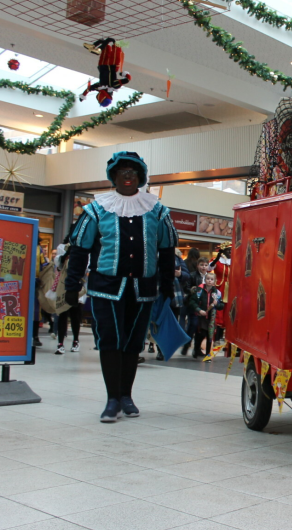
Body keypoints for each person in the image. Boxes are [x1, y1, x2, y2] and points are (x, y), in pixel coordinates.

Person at [65, 151, 178, 422]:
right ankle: (112, 399)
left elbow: (166, 250)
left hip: (143, 289)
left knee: (133, 343)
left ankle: (126, 396)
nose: (128, 175)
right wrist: (72, 284)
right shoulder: (96, 209)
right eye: (122, 171)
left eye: (133, 171)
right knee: (110, 341)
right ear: (113, 176)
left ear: (141, 176)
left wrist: (167, 286)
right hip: (106, 287)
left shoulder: (157, 210)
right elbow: (79, 249)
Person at [53, 241, 82, 354]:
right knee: (62, 314)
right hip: (63, 286)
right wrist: (66, 255)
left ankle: (76, 340)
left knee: (75, 315)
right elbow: (59, 266)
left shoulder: (83, 247)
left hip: (77, 286)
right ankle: (60, 343)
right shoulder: (62, 247)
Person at [188, 271, 224, 359]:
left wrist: (216, 304)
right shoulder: (199, 290)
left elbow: (221, 306)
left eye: (212, 279)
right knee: (201, 333)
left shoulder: (217, 293)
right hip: (200, 317)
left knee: (209, 334)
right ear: (205, 280)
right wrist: (199, 310)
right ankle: (196, 349)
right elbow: (192, 301)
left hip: (211, 318)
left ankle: (208, 354)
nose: (209, 281)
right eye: (208, 279)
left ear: (214, 281)